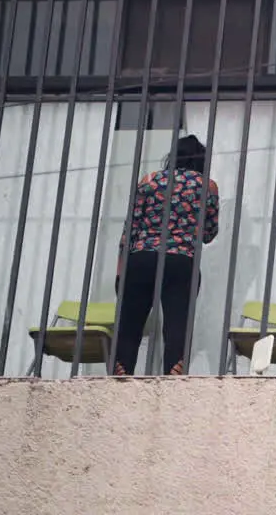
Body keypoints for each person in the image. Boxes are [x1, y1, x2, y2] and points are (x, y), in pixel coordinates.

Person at [113, 134, 219, 377]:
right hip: (181, 260)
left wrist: (120, 273)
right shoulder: (207, 186)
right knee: (177, 324)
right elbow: (209, 233)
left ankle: (120, 372)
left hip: (140, 258)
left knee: (130, 324)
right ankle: (174, 374)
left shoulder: (149, 181)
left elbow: (129, 231)